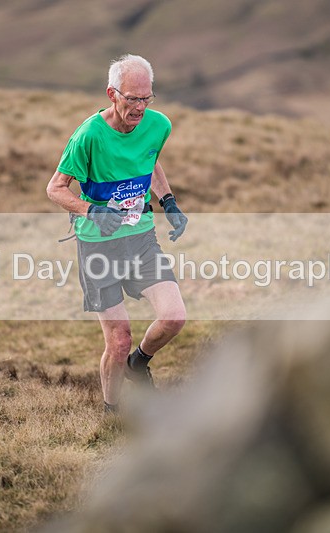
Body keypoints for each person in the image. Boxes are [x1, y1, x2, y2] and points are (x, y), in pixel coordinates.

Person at [46, 54, 188, 414]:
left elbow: (149, 160)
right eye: (132, 98)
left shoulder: (158, 125)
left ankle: (139, 363)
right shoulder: (89, 136)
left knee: (174, 317)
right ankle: (112, 412)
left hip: (141, 239)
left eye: (146, 98)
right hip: (98, 246)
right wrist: (92, 211)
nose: (140, 107)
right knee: (119, 340)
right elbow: (56, 188)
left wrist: (169, 201)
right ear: (112, 94)